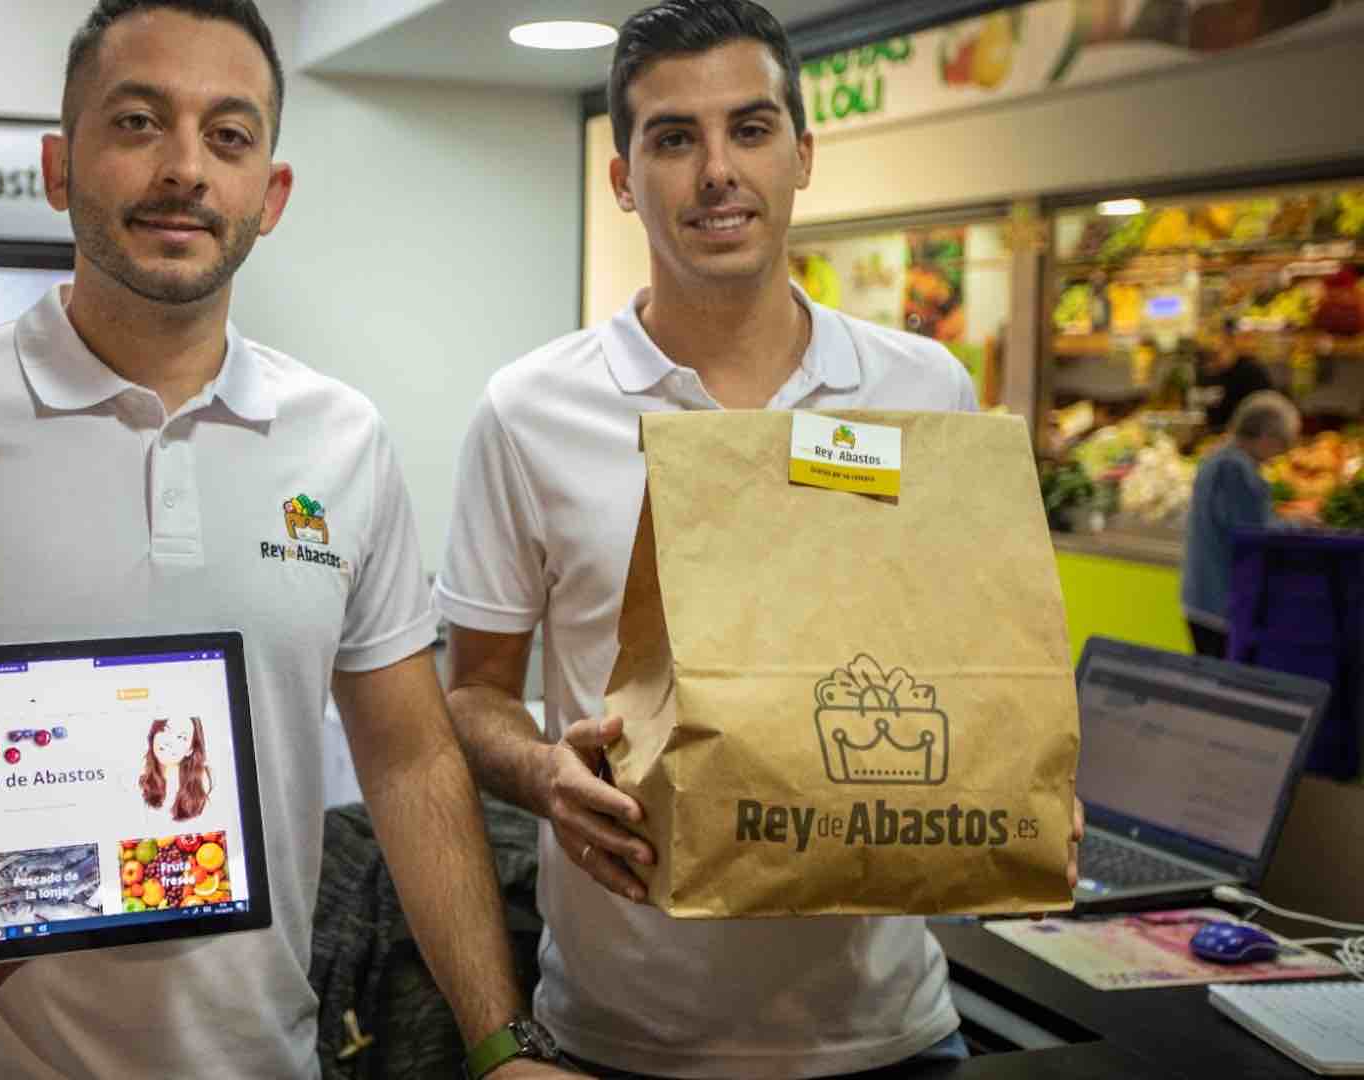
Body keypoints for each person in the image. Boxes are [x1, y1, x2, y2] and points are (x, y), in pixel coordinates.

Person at [0, 3, 571, 1076]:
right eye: (137, 123)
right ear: (58, 166)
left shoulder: (343, 440)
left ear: (269, 194)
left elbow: (408, 757)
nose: (185, 169)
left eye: (228, 136)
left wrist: (503, 1042)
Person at [434, 3, 1081, 1077]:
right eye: (674, 138)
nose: (716, 171)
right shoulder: (528, 411)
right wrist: (549, 773)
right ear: (623, 178)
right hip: (623, 1038)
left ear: (803, 155)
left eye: (750, 128)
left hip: (896, 1036)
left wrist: (1029, 775)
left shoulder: (925, 390)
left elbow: (984, 659)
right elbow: (472, 695)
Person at [1181, 391, 1302, 658]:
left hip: (1201, 598)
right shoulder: (1236, 469)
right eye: (1282, 445)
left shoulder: (1215, 459)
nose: (1278, 455)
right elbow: (1252, 532)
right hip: (1220, 603)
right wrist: (1294, 525)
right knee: (1227, 686)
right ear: (1267, 437)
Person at [1192, 316, 1275, 430]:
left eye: (1219, 339)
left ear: (1230, 341)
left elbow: (1268, 411)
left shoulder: (1251, 372)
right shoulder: (1205, 372)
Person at [140, 715, 213, 821]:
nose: (169, 742)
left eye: (181, 737)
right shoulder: (138, 781)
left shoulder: (205, 781)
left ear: (190, 749)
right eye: (165, 730)